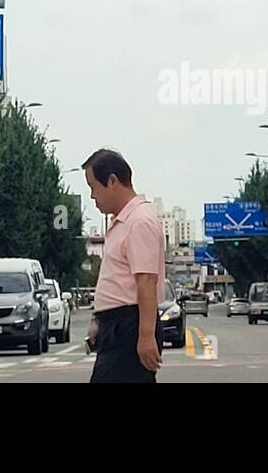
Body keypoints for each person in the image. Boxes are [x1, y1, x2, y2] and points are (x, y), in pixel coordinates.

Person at [81, 149, 165, 383]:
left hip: (129, 326)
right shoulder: (122, 222)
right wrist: (99, 322)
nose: (92, 196)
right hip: (117, 327)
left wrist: (146, 337)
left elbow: (147, 280)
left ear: (112, 181)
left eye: (93, 186)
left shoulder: (139, 222)